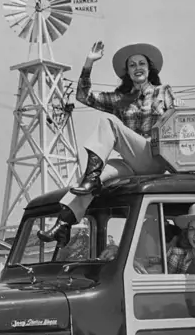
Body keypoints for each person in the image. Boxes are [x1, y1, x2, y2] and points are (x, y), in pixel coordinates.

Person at [38, 40, 184, 246]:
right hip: (130, 163)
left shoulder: (163, 91)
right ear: (127, 72)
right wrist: (89, 63)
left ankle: (91, 177)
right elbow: (83, 96)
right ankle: (64, 224)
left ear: (149, 68)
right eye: (132, 65)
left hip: (154, 157)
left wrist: (177, 107)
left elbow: (177, 119)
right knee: (91, 180)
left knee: (108, 123)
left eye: (141, 63)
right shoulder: (120, 98)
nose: (137, 68)